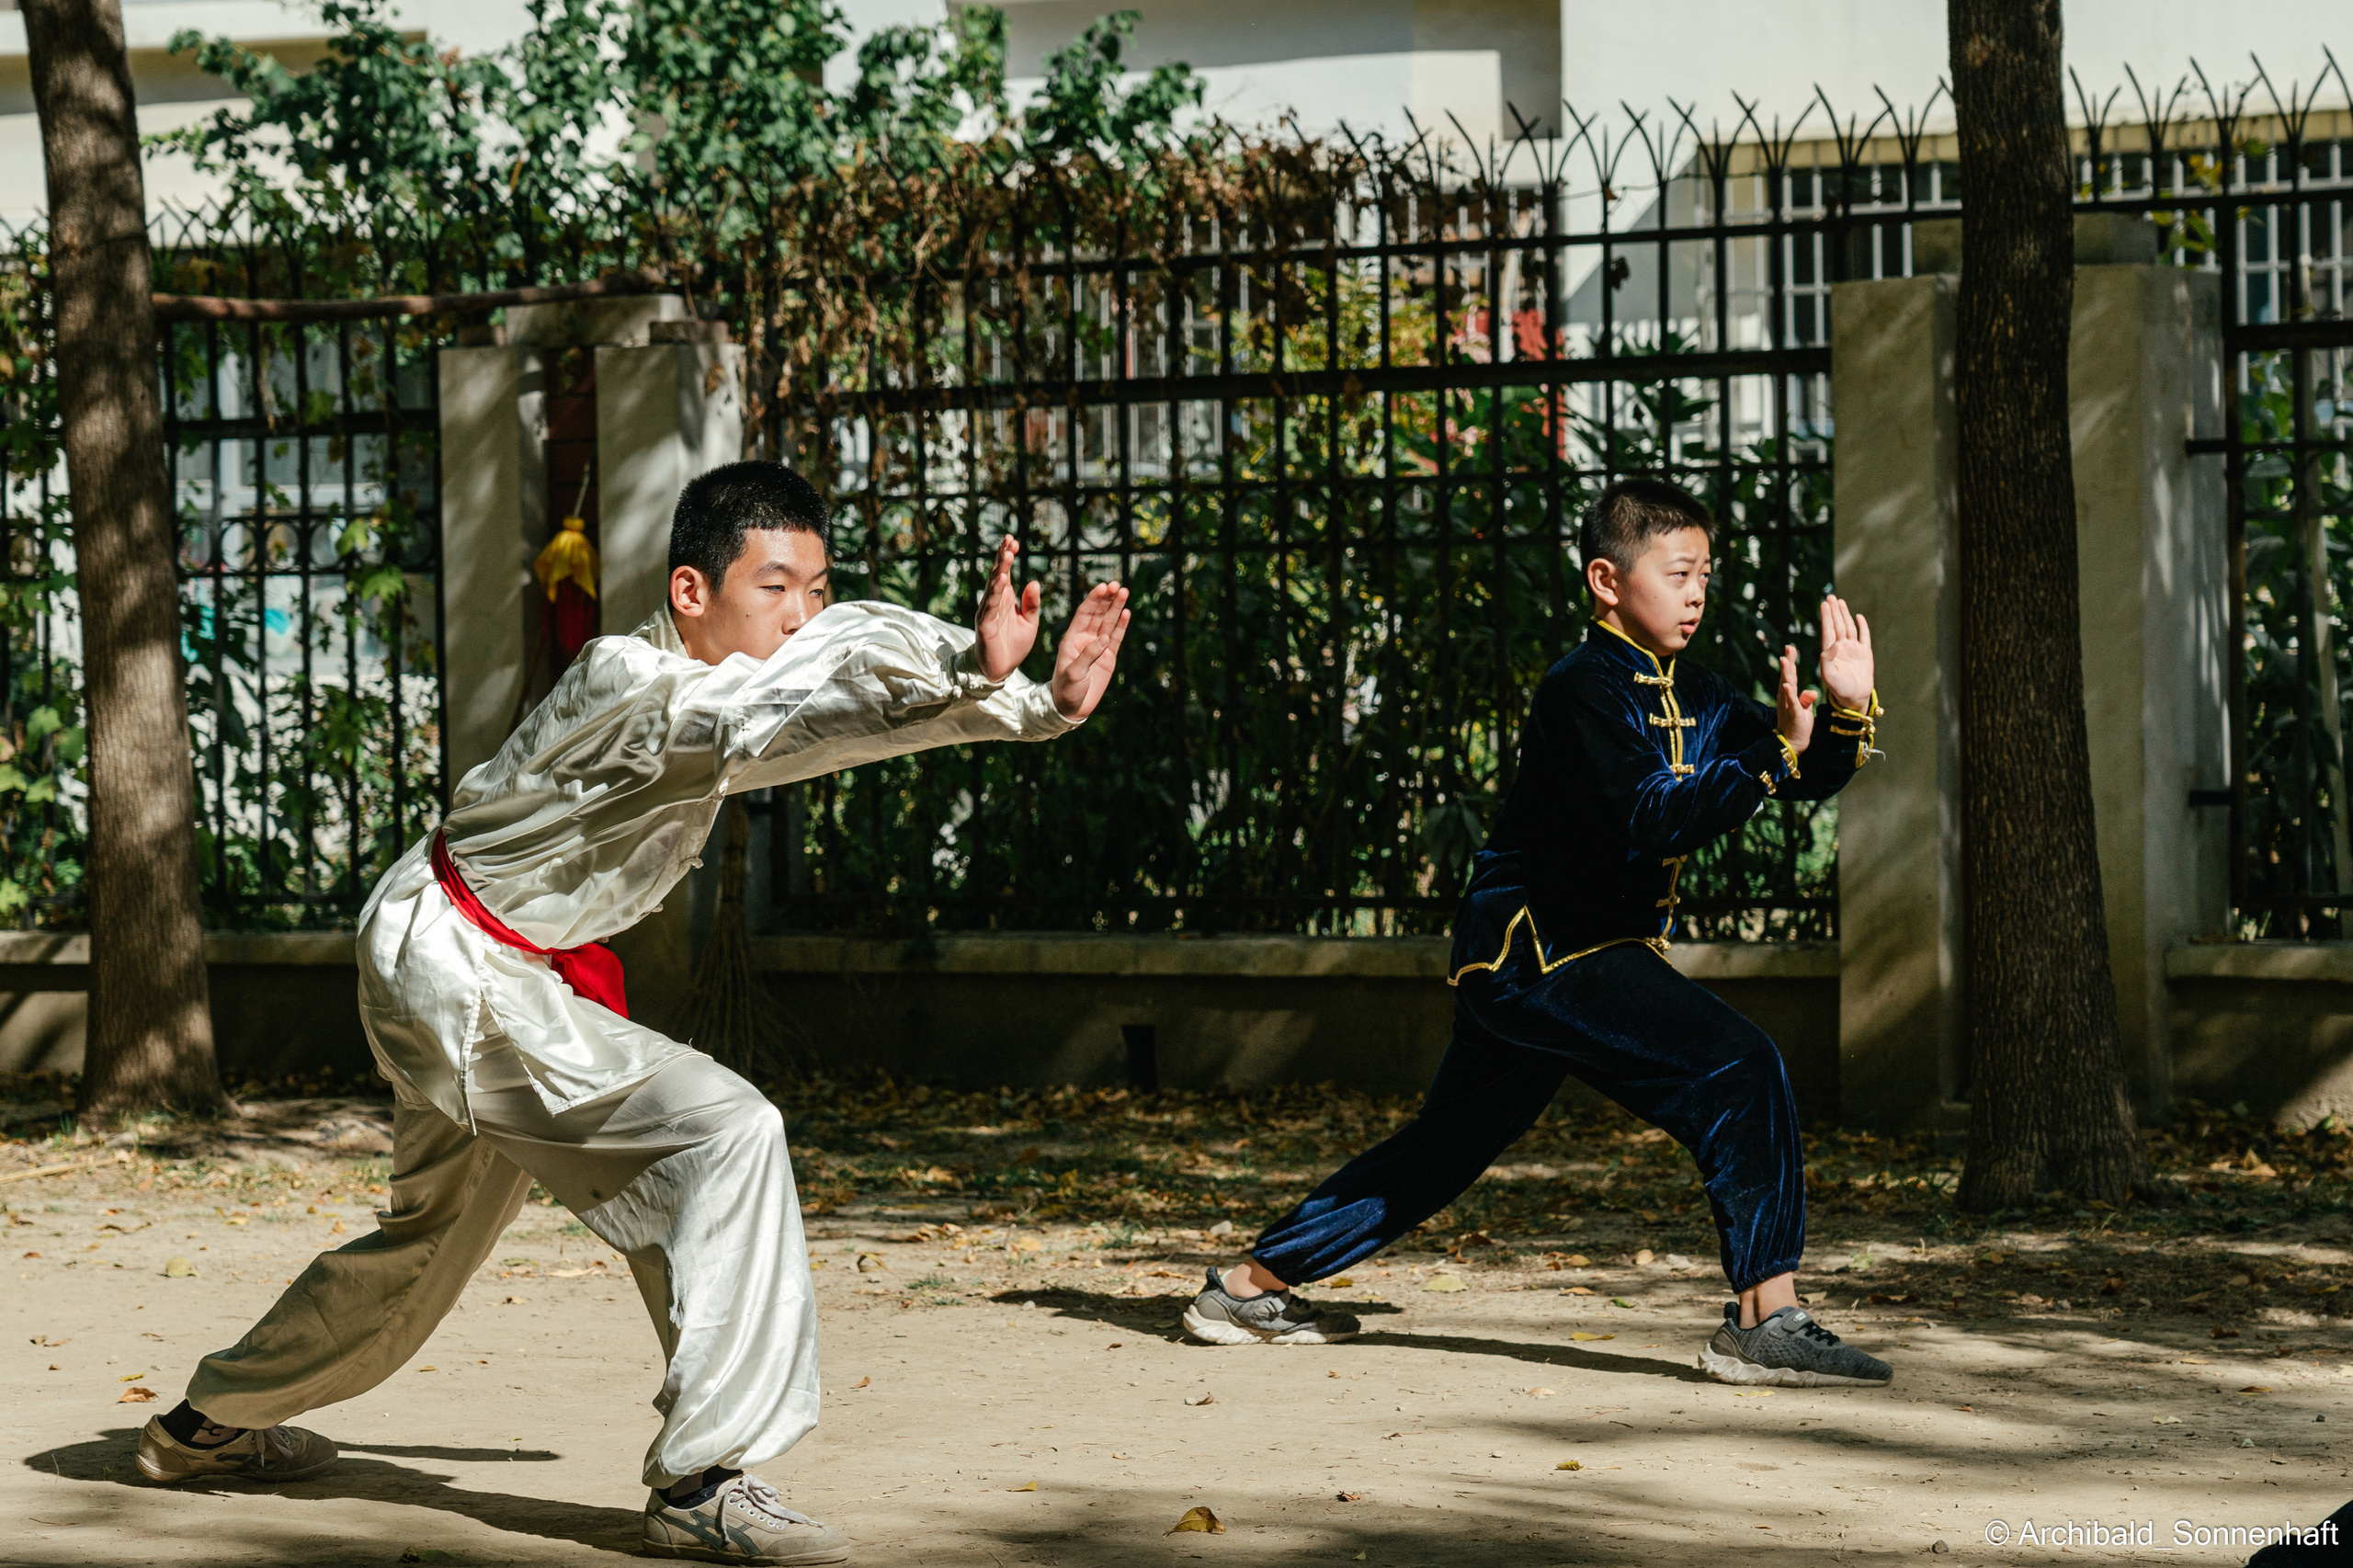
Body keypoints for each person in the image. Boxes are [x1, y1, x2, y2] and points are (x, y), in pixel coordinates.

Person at [132, 461, 1131, 1564]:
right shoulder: (631, 677)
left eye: (815, 584)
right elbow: (778, 713)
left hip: (484, 961)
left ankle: (202, 1425)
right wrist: (976, 681)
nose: (802, 613)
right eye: (776, 587)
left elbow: (831, 676)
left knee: (427, 1239)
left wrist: (1029, 700)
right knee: (722, 1128)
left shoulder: (736, 673)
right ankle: (705, 1478)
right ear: (693, 591)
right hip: (458, 961)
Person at [1183, 476, 1893, 1388]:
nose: (1695, 591)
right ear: (1607, 579)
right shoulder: (1580, 685)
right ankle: (1766, 1314)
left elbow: (1794, 768)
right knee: (1736, 1062)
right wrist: (1773, 754)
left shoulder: (1697, 688)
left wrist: (1838, 712)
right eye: (1677, 571)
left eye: (1704, 573)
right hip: (1544, 950)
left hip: (1552, 961)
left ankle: (1244, 1288)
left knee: (1445, 1145)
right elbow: (1653, 814)